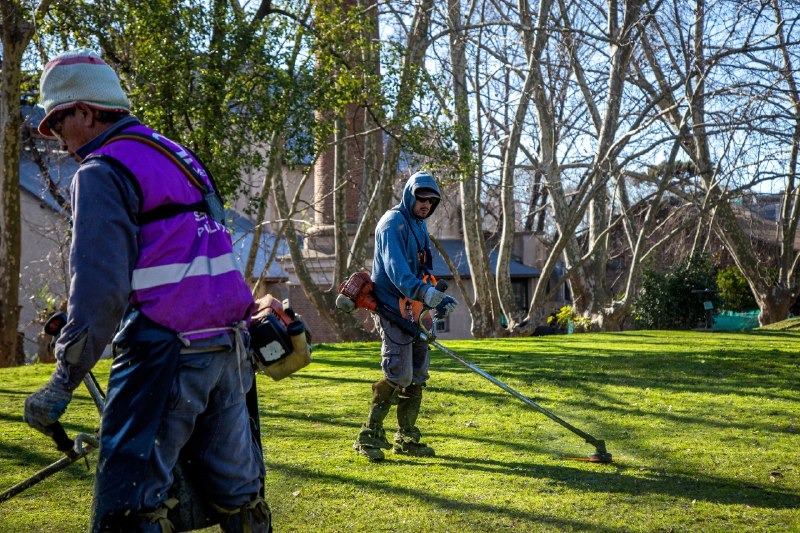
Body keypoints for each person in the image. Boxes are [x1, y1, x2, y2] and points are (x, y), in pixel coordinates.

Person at [23, 49, 270, 532]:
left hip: (167, 352)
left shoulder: (101, 171)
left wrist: (63, 381)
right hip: (229, 346)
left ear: (88, 112)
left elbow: (99, 294)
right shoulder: (176, 155)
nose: (56, 138)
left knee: (131, 507)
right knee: (238, 496)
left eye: (57, 122)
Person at [352, 171, 458, 462]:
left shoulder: (419, 226)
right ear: (410, 195)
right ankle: (368, 435)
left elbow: (423, 271)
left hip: (416, 310)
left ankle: (407, 437)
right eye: (421, 199)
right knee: (399, 372)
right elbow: (398, 272)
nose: (425, 205)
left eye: (431, 201)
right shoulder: (392, 224)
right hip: (391, 308)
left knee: (418, 374)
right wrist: (424, 294)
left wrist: (438, 297)